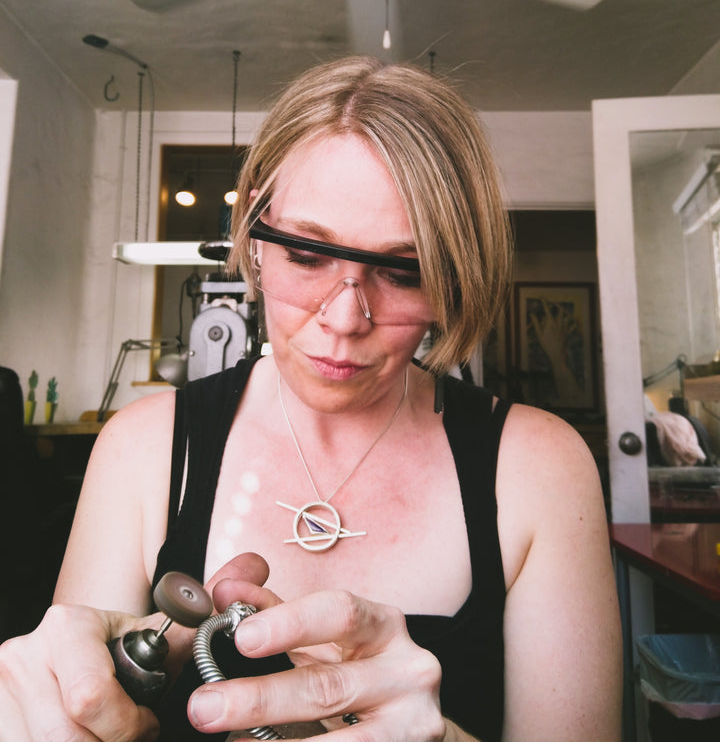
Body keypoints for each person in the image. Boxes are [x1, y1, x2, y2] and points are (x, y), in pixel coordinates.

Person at [0, 56, 622, 741]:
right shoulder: (141, 448)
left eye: (403, 270)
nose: (346, 317)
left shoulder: (541, 468)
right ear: (256, 243)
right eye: (305, 255)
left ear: (452, 280)